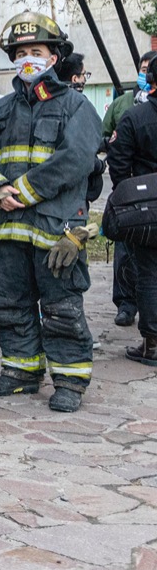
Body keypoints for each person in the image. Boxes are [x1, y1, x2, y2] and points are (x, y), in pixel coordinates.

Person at [0, 11, 101, 413]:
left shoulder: (77, 107)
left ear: (54, 56)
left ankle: (70, 380)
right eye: (22, 52)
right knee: (10, 305)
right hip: (8, 227)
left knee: (61, 307)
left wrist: (23, 191)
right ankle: (20, 372)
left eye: (37, 51)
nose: (29, 58)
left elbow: (75, 159)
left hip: (56, 231)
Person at [107, 70, 157, 367]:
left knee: (149, 273)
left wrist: (128, 194)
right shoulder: (135, 116)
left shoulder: (135, 117)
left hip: (146, 208)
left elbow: (117, 161)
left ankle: (152, 343)